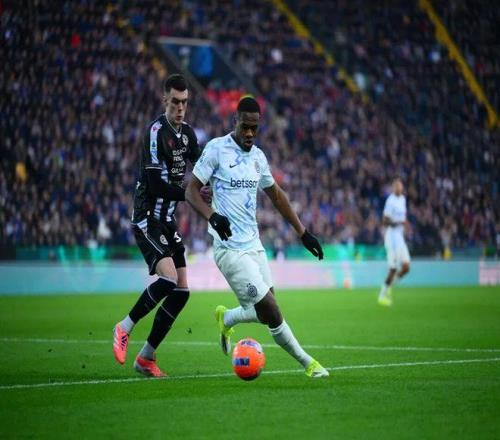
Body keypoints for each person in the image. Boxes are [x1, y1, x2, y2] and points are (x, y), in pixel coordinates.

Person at [185, 96, 329, 378]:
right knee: (272, 311)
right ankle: (308, 364)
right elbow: (191, 191)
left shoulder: (259, 158)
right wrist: (212, 216)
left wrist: (303, 233)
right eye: (245, 126)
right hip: (229, 248)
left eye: (255, 128)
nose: (250, 133)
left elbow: (277, 195)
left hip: (254, 244)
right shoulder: (217, 149)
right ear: (235, 121)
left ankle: (227, 317)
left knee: (265, 310)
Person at [112, 73, 205, 377]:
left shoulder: (188, 134)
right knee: (168, 280)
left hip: (167, 221)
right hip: (147, 216)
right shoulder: (155, 132)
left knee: (182, 291)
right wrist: (190, 194)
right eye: (175, 102)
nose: (180, 108)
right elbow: (154, 185)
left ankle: (146, 357)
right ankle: (124, 327)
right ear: (165, 99)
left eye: (184, 103)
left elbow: (203, 166)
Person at [378, 177, 411, 306]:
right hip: (392, 238)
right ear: (392, 188)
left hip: (400, 238)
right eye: (396, 186)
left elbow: (403, 218)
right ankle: (382, 295)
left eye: (400, 185)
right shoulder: (390, 201)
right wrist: (398, 223)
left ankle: (390, 285)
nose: (398, 187)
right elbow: (384, 221)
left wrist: (405, 225)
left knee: (406, 267)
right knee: (393, 269)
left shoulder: (402, 199)